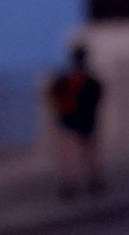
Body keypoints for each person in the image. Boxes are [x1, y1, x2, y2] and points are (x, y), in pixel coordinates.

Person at [46, 42, 109, 198]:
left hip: (68, 119)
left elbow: (54, 94)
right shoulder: (88, 79)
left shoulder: (65, 78)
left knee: (69, 153)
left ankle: (68, 184)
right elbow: (98, 95)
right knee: (88, 152)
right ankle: (92, 181)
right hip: (85, 119)